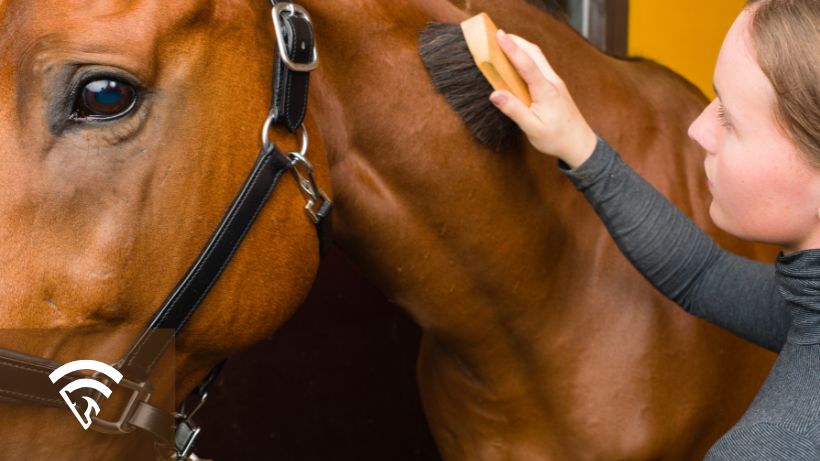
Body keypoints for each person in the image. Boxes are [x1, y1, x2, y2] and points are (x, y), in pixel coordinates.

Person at [488, 0, 820, 459]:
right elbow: (704, 275)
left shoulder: (771, 448)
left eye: (731, 119)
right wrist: (576, 142)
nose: (698, 128)